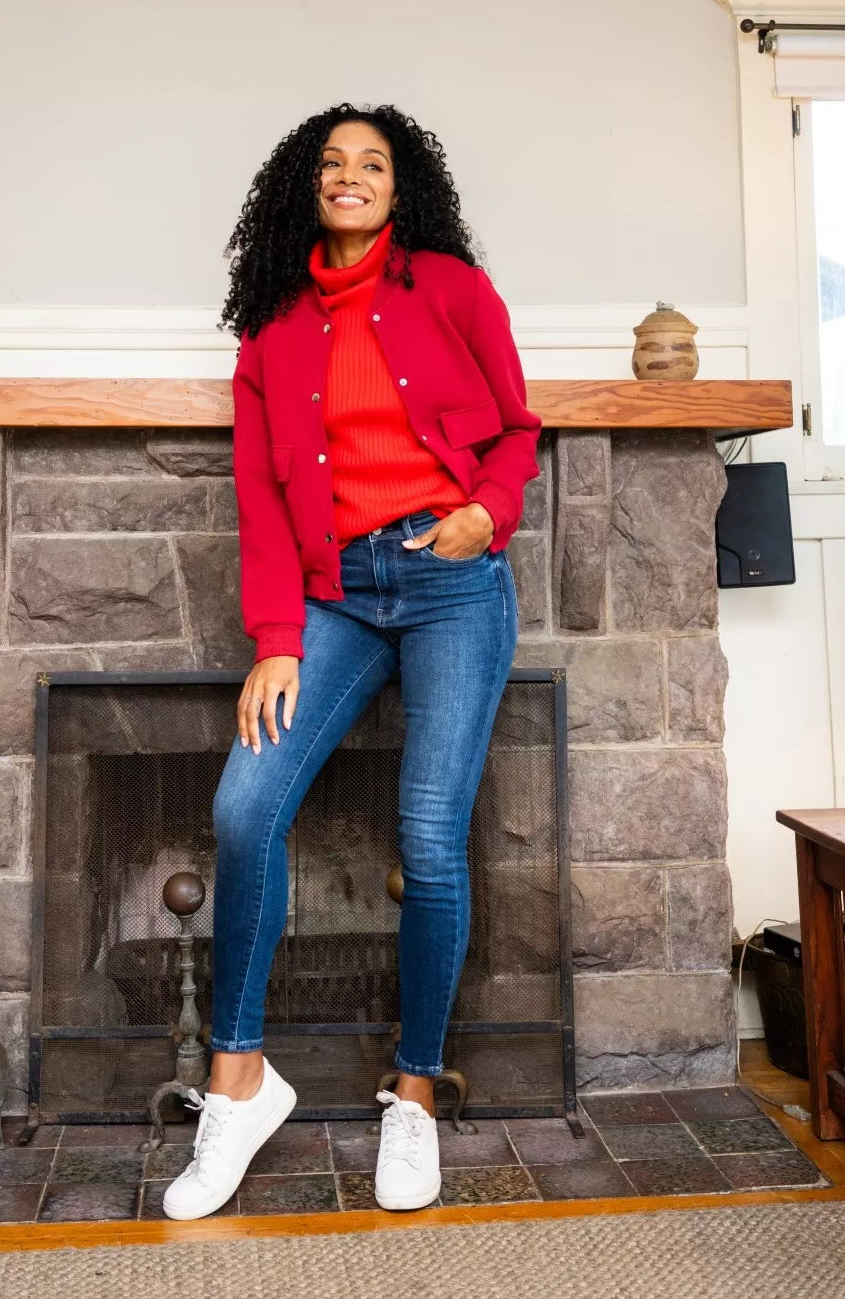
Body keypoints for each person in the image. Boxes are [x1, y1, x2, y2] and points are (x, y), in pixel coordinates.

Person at [163, 102, 541, 1221]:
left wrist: (486, 513)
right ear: (304, 187)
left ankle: (413, 1093)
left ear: (399, 185)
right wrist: (276, 642)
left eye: (371, 163)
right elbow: (262, 498)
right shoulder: (272, 328)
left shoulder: (452, 289)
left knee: (429, 836)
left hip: (449, 584)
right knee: (244, 808)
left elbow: (516, 429)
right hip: (333, 598)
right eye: (331, 163)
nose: (349, 177)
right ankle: (239, 1082)